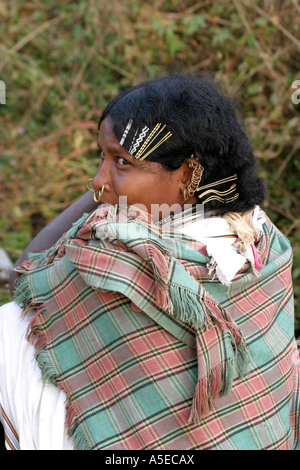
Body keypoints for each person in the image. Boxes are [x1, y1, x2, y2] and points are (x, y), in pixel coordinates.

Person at [0, 74, 299, 450]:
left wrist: (108, 194)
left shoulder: (117, 259)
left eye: (121, 161)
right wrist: (114, 183)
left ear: (188, 174)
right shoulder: (259, 236)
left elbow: (26, 279)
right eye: (102, 157)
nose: (97, 179)